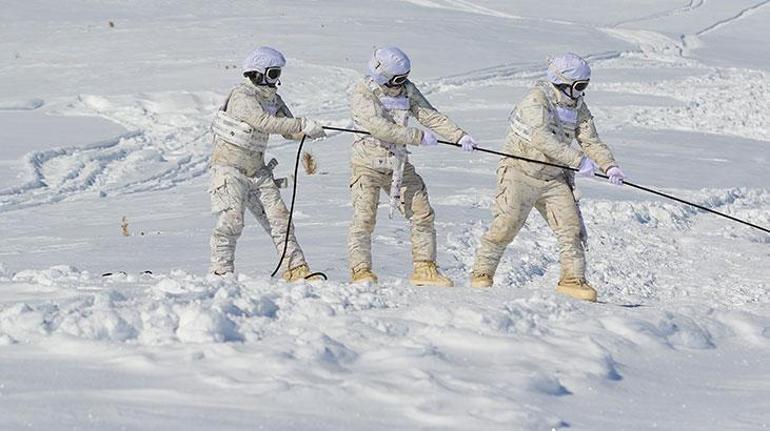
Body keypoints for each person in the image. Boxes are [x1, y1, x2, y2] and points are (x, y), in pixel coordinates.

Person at [470, 53, 626, 301]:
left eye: (585, 86)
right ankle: (482, 273)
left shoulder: (577, 106)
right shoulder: (536, 99)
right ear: (563, 82)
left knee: (570, 229)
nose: (582, 93)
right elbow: (542, 139)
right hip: (520, 173)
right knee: (506, 226)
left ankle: (572, 280)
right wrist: (578, 161)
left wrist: (609, 166)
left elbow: (589, 139)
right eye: (579, 87)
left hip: (554, 178)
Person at [347, 47, 477, 287]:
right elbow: (379, 127)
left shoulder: (407, 89)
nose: (402, 83)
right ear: (381, 75)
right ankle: (361, 271)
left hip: (398, 164)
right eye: (397, 79)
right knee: (364, 220)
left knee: (422, 213)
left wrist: (459, 136)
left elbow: (429, 115)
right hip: (367, 166)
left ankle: (425, 268)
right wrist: (417, 137)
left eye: (405, 77)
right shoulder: (363, 93)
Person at [208, 46, 326, 281]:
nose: (276, 80)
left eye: (278, 74)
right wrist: (300, 124)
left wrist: (307, 131)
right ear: (257, 73)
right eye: (272, 74)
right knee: (232, 222)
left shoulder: (273, 99)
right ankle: (220, 273)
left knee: (281, 220)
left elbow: (287, 128)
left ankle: (296, 269)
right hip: (230, 170)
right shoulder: (243, 96)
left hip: (257, 172)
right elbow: (263, 122)